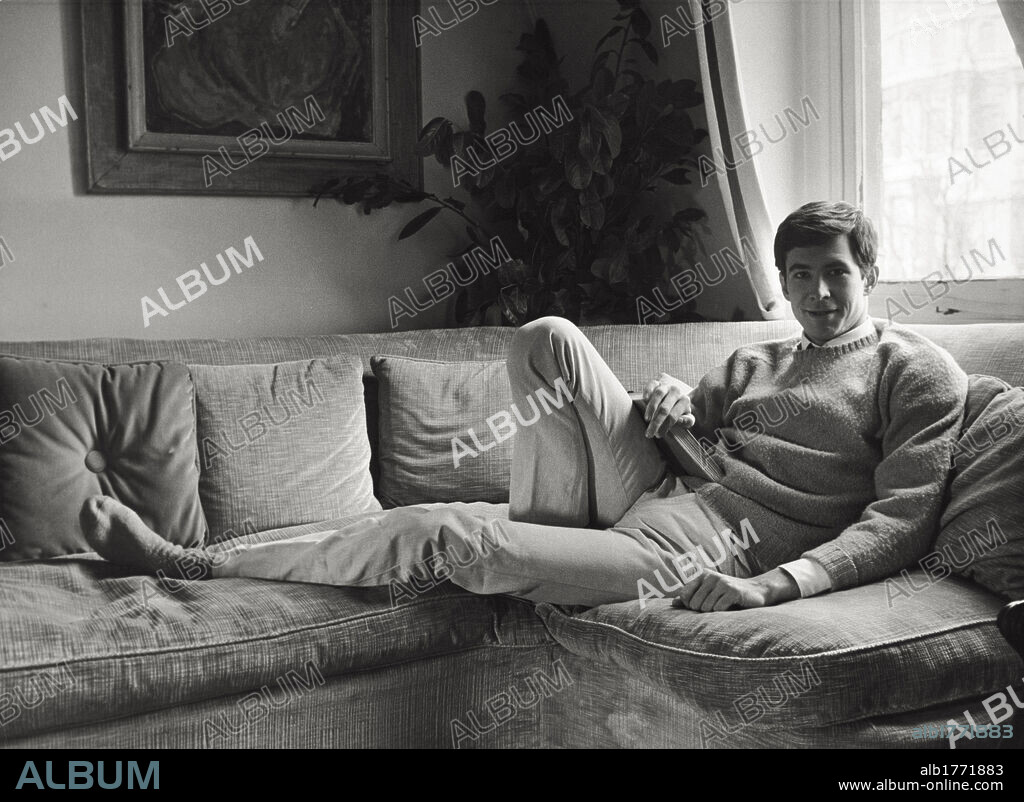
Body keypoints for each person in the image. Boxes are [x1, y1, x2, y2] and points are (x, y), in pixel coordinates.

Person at [81, 201, 969, 612]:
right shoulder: (761, 357)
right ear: (784, 280)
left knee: (449, 532)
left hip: (706, 549)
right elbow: (688, 420)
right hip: (662, 490)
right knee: (546, 337)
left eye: (836, 274)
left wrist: (777, 583)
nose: (818, 294)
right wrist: (670, 402)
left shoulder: (914, 372)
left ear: (871, 273)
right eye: (800, 276)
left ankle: (203, 565)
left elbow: (900, 519)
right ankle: (551, 551)